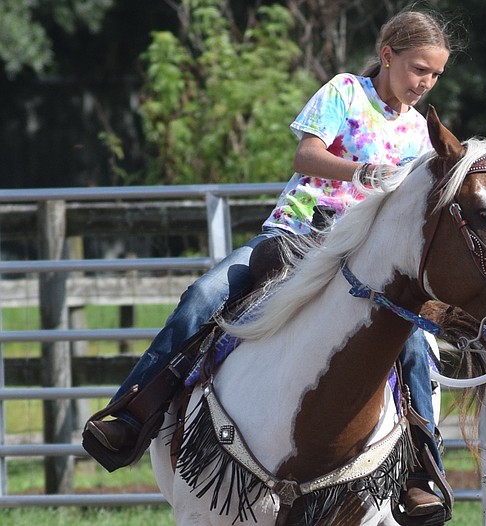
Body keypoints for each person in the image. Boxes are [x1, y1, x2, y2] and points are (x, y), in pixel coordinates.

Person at [82, 9, 455, 520]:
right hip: (297, 234)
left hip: (359, 258)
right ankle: (133, 411)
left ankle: (421, 471)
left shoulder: (418, 131)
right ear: (387, 55)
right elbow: (307, 156)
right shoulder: (344, 92)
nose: (425, 83)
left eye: (434, 75)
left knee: (413, 342)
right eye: (418, 69)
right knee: (205, 295)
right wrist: (362, 171)